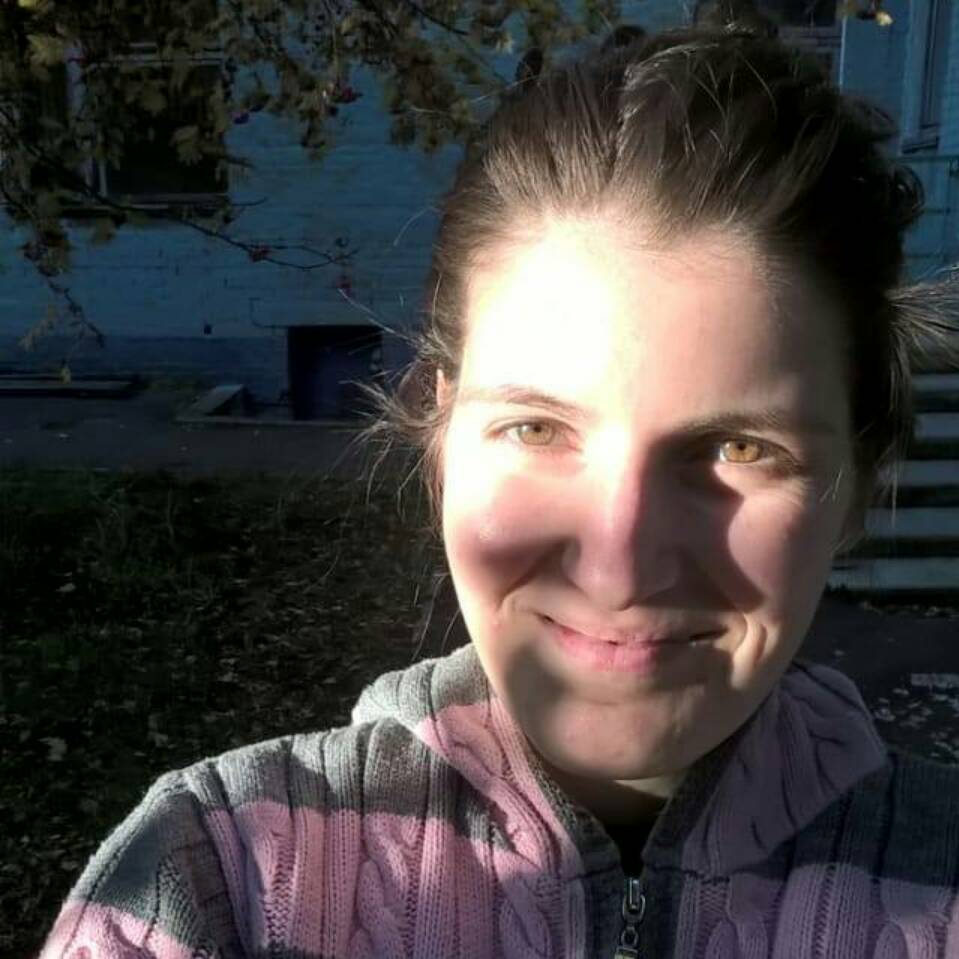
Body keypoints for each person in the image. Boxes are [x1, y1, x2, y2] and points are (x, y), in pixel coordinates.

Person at [39, 26, 959, 959]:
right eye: (536, 428)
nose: (619, 565)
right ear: (442, 437)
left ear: (858, 483)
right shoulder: (209, 881)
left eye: (736, 447)